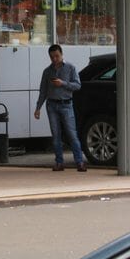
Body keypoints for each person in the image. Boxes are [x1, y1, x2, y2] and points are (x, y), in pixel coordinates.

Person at [34, 44, 87, 172]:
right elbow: (43, 91)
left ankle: (79, 162)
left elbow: (78, 85)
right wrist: (38, 108)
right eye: (52, 57)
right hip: (51, 105)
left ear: (62, 54)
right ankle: (59, 162)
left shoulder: (70, 67)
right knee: (56, 135)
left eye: (57, 56)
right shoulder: (47, 71)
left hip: (66, 104)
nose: (55, 59)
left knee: (71, 133)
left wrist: (62, 83)